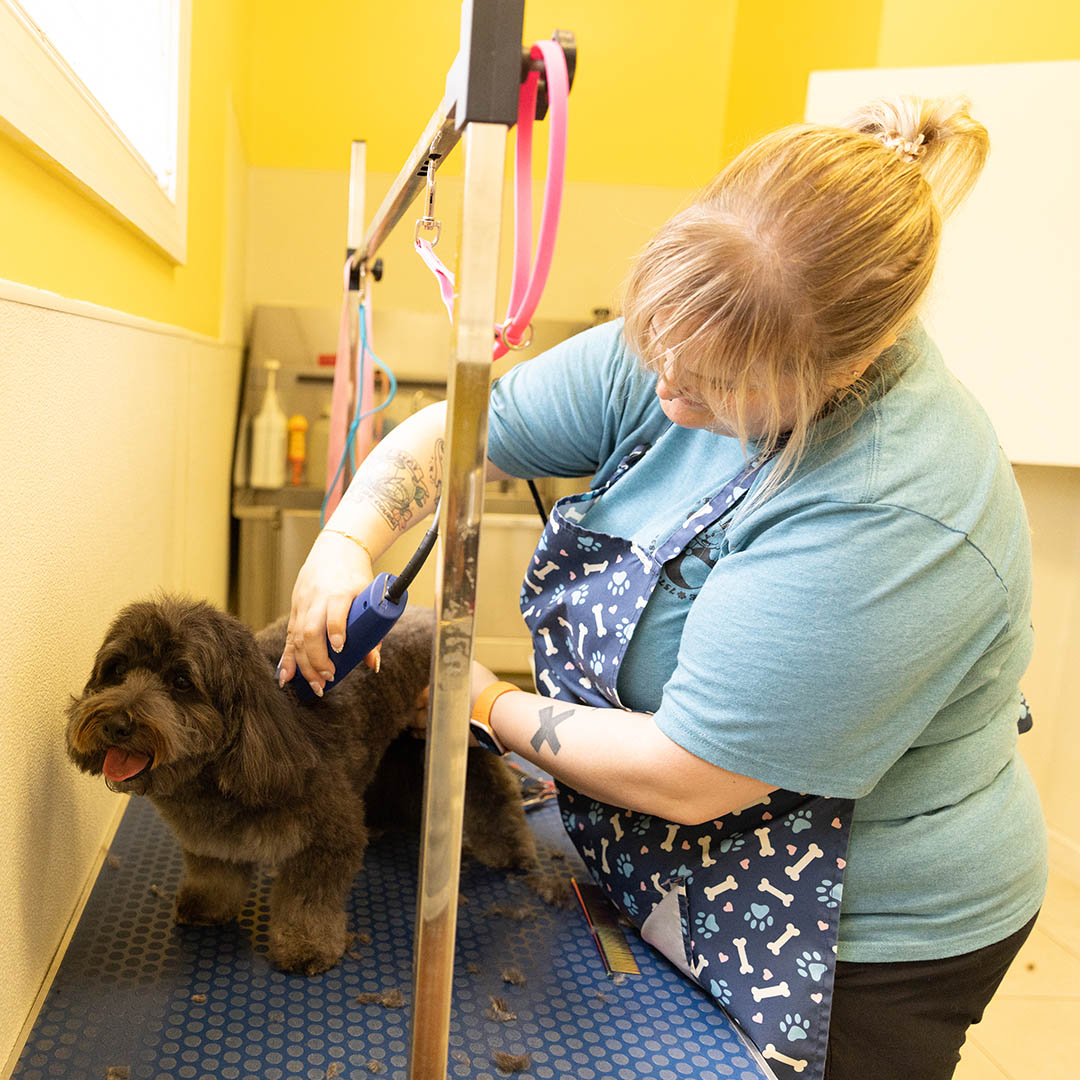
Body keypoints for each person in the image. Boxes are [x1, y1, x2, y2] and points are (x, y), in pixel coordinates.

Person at [277, 95, 1047, 1080]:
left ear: (846, 364)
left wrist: (483, 701)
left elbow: (695, 774)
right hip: (675, 857)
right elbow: (465, 428)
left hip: (866, 930)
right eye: (655, 353)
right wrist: (345, 543)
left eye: (716, 387)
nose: (671, 396)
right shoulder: (705, 327)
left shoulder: (896, 503)